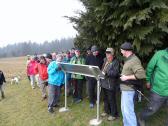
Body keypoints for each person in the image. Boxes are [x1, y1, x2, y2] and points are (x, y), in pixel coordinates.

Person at [138, 48, 168, 126]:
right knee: (152, 109)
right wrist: (148, 80)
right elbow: (150, 68)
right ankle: (141, 118)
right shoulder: (159, 54)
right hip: (158, 90)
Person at [120, 42, 146, 126]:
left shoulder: (134, 60)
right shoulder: (129, 59)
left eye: (121, 50)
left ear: (126, 51)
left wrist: (126, 77)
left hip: (129, 90)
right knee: (124, 111)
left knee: (128, 112)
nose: (121, 51)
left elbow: (141, 74)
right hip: (125, 89)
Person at [100, 48, 120, 121]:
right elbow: (102, 69)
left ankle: (114, 114)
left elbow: (115, 73)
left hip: (110, 84)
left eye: (109, 53)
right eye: (106, 53)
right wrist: (101, 72)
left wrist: (107, 72)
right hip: (104, 83)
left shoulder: (115, 62)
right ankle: (106, 111)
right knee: (105, 99)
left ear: (112, 54)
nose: (107, 54)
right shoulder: (105, 60)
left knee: (111, 99)